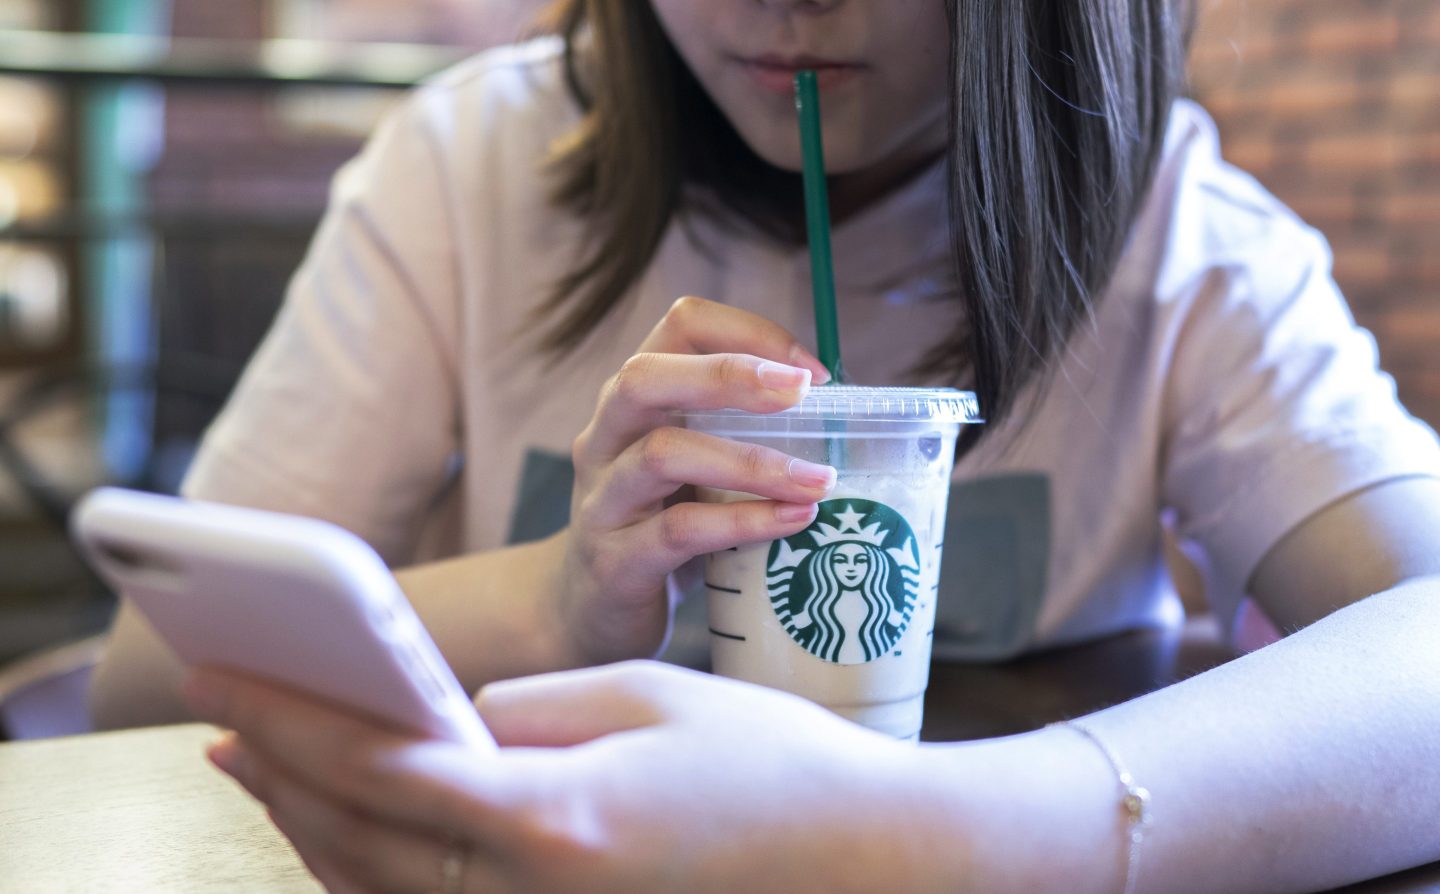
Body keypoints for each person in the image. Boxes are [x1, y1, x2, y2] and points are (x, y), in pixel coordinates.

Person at [94, 0, 1440, 891]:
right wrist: (560, 599)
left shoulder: (1178, 244)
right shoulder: (472, 172)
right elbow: (147, 675)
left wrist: (929, 838)